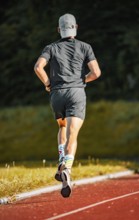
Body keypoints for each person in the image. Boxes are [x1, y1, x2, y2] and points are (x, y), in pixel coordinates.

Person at [34, 13, 101, 198]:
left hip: (57, 94)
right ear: (76, 28)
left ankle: (61, 161)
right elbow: (96, 72)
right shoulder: (85, 47)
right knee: (73, 133)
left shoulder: (51, 47)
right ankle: (67, 167)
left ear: (59, 30)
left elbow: (38, 67)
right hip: (76, 93)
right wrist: (82, 80)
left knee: (62, 127)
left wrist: (48, 83)